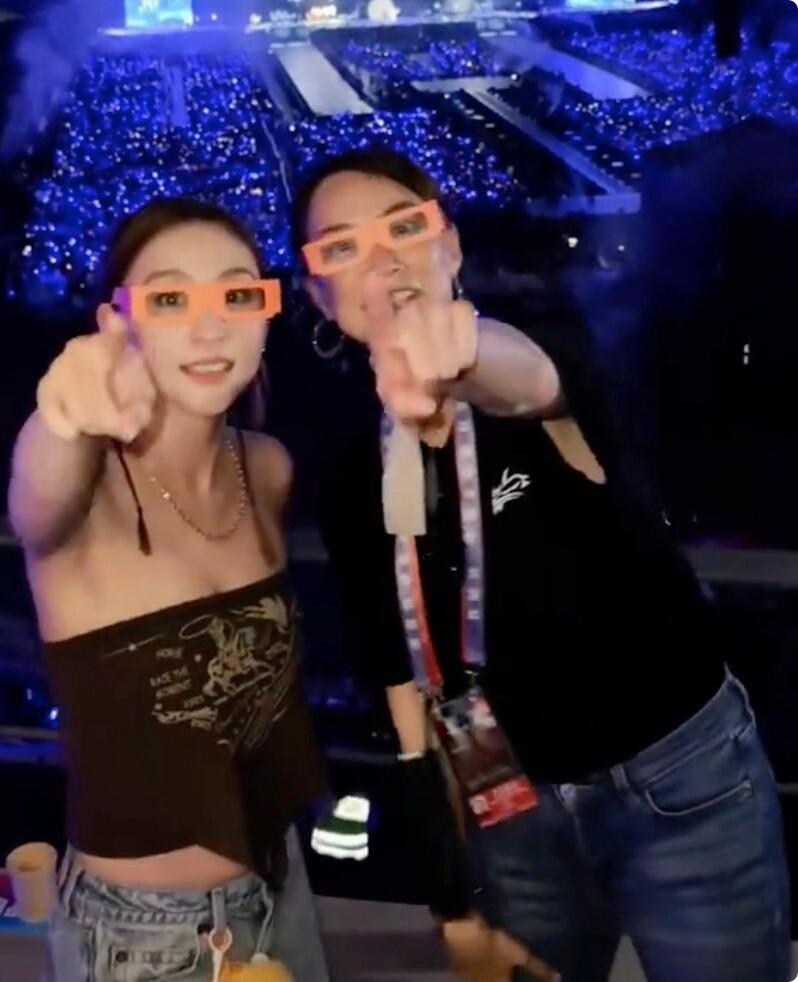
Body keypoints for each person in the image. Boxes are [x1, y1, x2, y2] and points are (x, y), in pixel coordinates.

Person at [292, 148, 792, 982]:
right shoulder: (351, 470)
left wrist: (463, 356)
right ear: (318, 296)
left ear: (450, 247)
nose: (381, 259)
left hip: (679, 778)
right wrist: (451, 902)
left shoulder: (545, 335)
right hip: (508, 809)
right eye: (340, 247)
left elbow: (533, 383)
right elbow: (403, 689)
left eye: (405, 228)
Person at [8, 197, 329, 981]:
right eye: (170, 299)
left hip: (281, 884)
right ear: (115, 321)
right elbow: (36, 498)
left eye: (237, 293)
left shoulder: (266, 467)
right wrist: (63, 412)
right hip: (144, 937)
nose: (210, 327)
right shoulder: (82, 489)